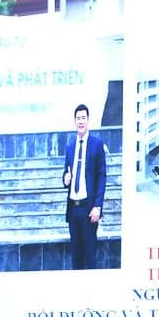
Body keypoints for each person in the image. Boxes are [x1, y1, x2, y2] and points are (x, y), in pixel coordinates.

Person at [61, 102, 107, 269]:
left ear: (88, 120)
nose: (80, 121)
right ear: (75, 121)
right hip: (73, 209)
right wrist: (65, 179)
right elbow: (66, 174)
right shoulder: (70, 147)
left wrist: (98, 206)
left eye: (83, 118)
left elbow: (102, 176)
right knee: (76, 259)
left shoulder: (97, 144)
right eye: (78, 118)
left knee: (90, 257)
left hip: (89, 209)